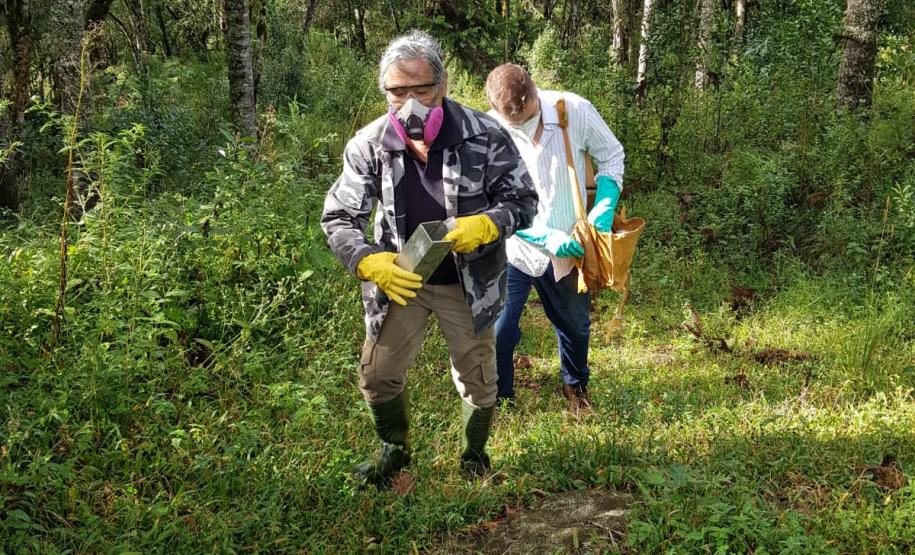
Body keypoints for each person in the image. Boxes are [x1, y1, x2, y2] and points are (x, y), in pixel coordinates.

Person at [321, 33, 537, 487]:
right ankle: (393, 451)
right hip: (402, 278)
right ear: (385, 92)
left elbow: (522, 199)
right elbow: (339, 216)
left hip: (469, 282)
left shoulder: (486, 134)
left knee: (478, 375)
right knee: (378, 373)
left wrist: (490, 224)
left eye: (422, 89)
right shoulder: (369, 144)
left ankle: (473, 455)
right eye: (398, 91)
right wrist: (366, 261)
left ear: (443, 84)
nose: (410, 102)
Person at [485, 64, 625, 412]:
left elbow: (611, 155)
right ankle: (501, 399)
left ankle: (575, 387)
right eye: (516, 123)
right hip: (515, 248)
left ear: (535, 92)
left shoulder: (573, 109)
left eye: (529, 117)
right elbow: (487, 198)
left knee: (575, 326)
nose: (525, 127)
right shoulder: (489, 131)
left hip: (569, 245)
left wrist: (604, 206)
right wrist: (535, 232)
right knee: (499, 330)